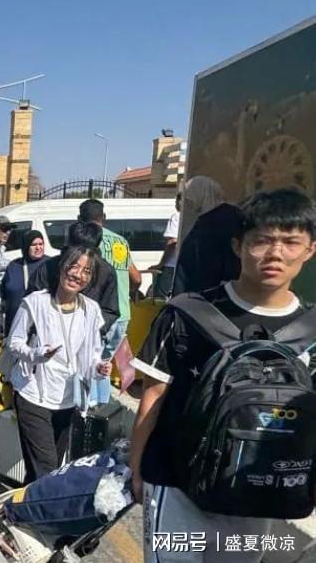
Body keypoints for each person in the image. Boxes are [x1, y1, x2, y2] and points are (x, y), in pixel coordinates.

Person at [129, 188, 316, 563]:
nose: (275, 253)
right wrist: (136, 469)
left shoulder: (312, 329)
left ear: (310, 249)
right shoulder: (187, 315)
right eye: (262, 240)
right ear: (238, 246)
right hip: (175, 485)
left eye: (290, 242)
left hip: (259, 492)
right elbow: (153, 396)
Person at [5, 245, 111, 483]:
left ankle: (27, 503)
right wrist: (37, 354)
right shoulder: (35, 302)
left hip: (67, 397)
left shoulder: (91, 310)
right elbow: (14, 342)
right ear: (61, 267)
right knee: (47, 469)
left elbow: (93, 354)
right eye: (74, 266)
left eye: (86, 271)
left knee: (43, 471)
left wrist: (98, 368)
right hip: (33, 394)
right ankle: (37, 505)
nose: (78, 275)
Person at [79, 199, 142, 403]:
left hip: (99, 315)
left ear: (80, 219)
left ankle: (90, 409)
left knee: (90, 364)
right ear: (104, 218)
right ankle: (102, 406)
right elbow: (136, 278)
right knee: (104, 363)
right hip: (122, 314)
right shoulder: (120, 241)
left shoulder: (87, 241)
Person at [27, 222, 121, 334]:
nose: (77, 275)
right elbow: (32, 305)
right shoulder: (48, 267)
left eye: (86, 271)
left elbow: (109, 310)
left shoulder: (105, 271)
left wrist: (91, 330)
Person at [173, 176, 243, 295]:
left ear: (201, 193)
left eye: (192, 196)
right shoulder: (206, 218)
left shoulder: (222, 220)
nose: (190, 202)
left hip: (210, 293)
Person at [0, 230, 47, 335]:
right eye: (34, 245)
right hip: (15, 324)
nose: (38, 248)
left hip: (41, 327)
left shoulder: (50, 265)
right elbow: (4, 291)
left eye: (41, 244)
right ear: (26, 246)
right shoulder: (14, 266)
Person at [151, 193, 181, 298]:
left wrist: (161, 264)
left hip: (172, 265)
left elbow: (172, 242)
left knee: (162, 297)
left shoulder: (177, 217)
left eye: (176, 201)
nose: (175, 204)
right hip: (187, 266)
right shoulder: (196, 217)